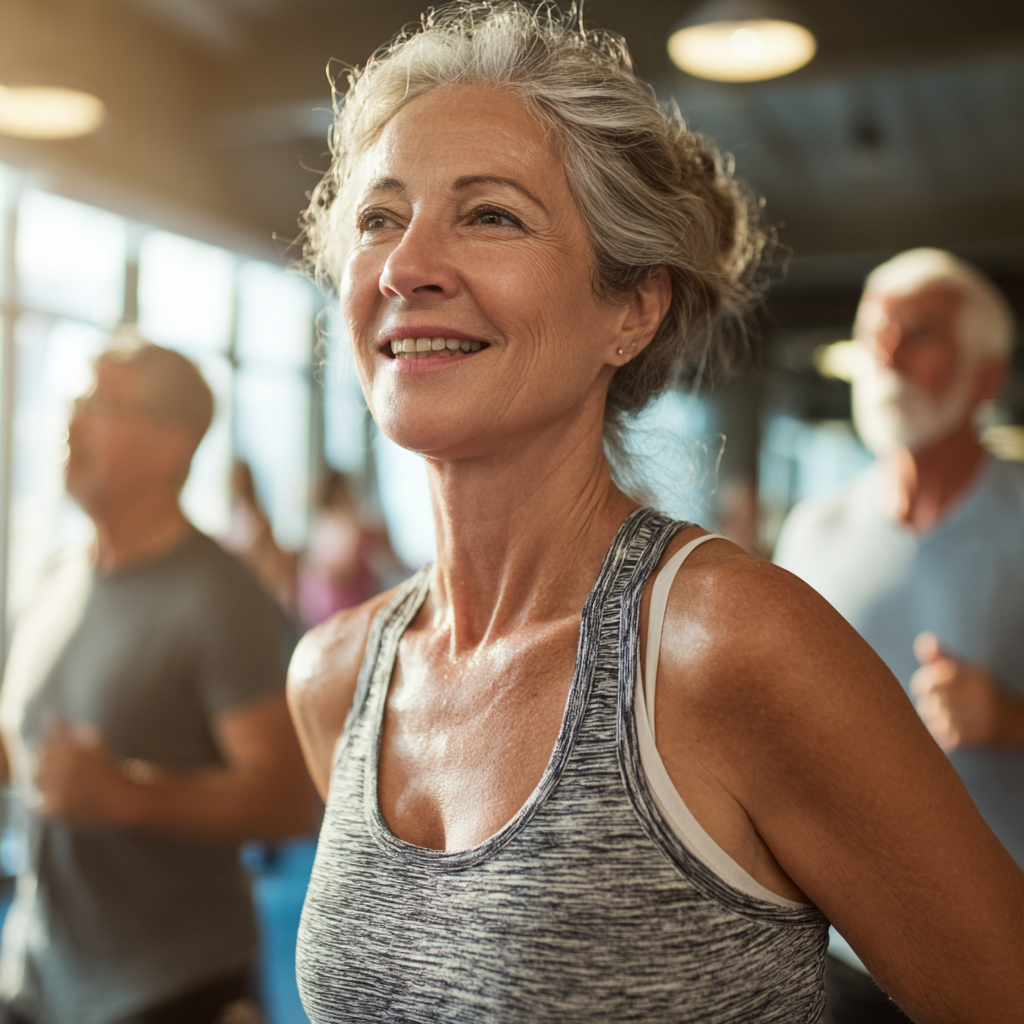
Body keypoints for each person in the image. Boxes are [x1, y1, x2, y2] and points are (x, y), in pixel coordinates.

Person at [287, 5, 1024, 1022]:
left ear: (631, 310)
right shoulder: (335, 679)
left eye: (490, 213)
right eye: (378, 218)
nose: (407, 265)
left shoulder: (728, 645)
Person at [0, 337, 316, 1024]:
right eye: (76, 400)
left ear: (171, 443)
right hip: (37, 975)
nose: (71, 420)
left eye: (102, 404)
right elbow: (26, 744)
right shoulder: (57, 576)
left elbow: (290, 801)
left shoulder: (220, 597)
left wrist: (125, 793)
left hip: (169, 988)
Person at [774, 248, 1024, 1022]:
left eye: (919, 332)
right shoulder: (814, 532)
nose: (885, 354)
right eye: (874, 330)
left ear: (986, 376)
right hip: (841, 959)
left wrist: (1010, 721)